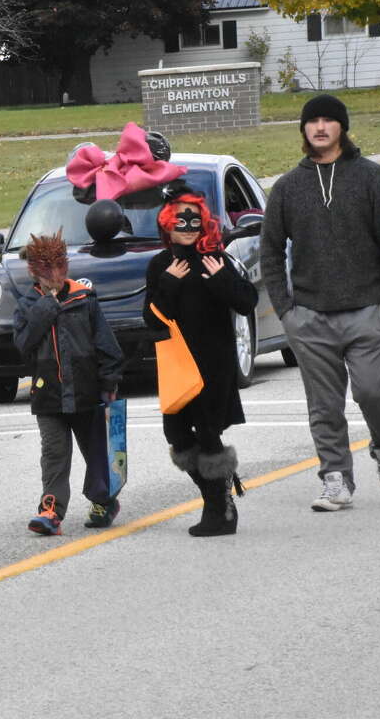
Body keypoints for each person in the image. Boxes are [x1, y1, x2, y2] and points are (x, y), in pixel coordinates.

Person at [260, 94, 380, 511]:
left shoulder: (372, 178)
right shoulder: (288, 187)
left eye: (329, 120)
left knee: (374, 392)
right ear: (304, 130)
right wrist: (287, 312)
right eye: (313, 121)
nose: (320, 127)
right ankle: (335, 478)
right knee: (324, 405)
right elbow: (270, 251)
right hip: (310, 317)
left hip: (370, 312)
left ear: (342, 127)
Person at [144, 186, 258, 536]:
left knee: (208, 432)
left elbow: (246, 302)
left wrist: (222, 280)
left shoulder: (217, 258)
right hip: (178, 364)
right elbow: (151, 317)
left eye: (195, 220)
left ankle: (220, 510)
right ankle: (218, 492)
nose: (189, 226)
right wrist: (168, 284)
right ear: (167, 223)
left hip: (214, 364)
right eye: (181, 220)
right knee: (176, 433)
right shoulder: (161, 265)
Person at [13, 232, 124, 535]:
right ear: (33, 270)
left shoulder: (84, 300)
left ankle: (104, 500)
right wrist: (46, 306)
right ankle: (51, 509)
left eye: (59, 265)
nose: (55, 274)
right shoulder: (27, 305)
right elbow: (23, 345)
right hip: (48, 397)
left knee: (97, 452)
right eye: (46, 268)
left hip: (87, 394)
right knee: (54, 453)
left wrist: (109, 381)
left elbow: (107, 345)